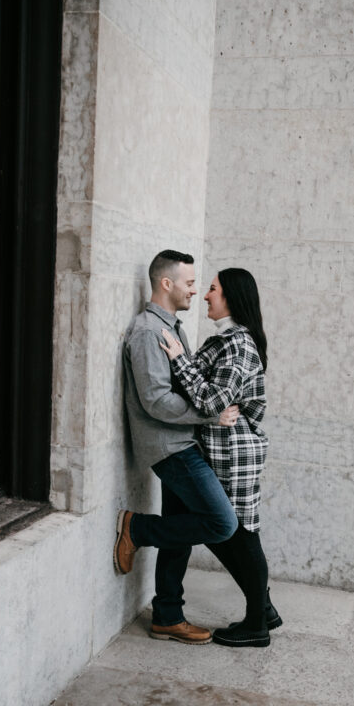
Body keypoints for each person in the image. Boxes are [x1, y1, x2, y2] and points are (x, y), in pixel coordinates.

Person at [115, 250, 240, 645]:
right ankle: (136, 527)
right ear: (166, 284)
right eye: (189, 282)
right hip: (171, 447)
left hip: (183, 441)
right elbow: (156, 401)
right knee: (222, 523)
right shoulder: (150, 332)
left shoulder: (172, 329)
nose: (195, 290)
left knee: (181, 533)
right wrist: (209, 416)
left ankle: (167, 615)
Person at [159, 267, 281, 648]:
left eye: (212, 289)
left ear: (230, 297)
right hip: (221, 448)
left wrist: (178, 358)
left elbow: (212, 400)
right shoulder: (224, 341)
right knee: (227, 531)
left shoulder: (238, 345)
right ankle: (264, 610)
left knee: (239, 534)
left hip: (235, 453)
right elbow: (209, 395)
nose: (205, 295)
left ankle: (257, 623)